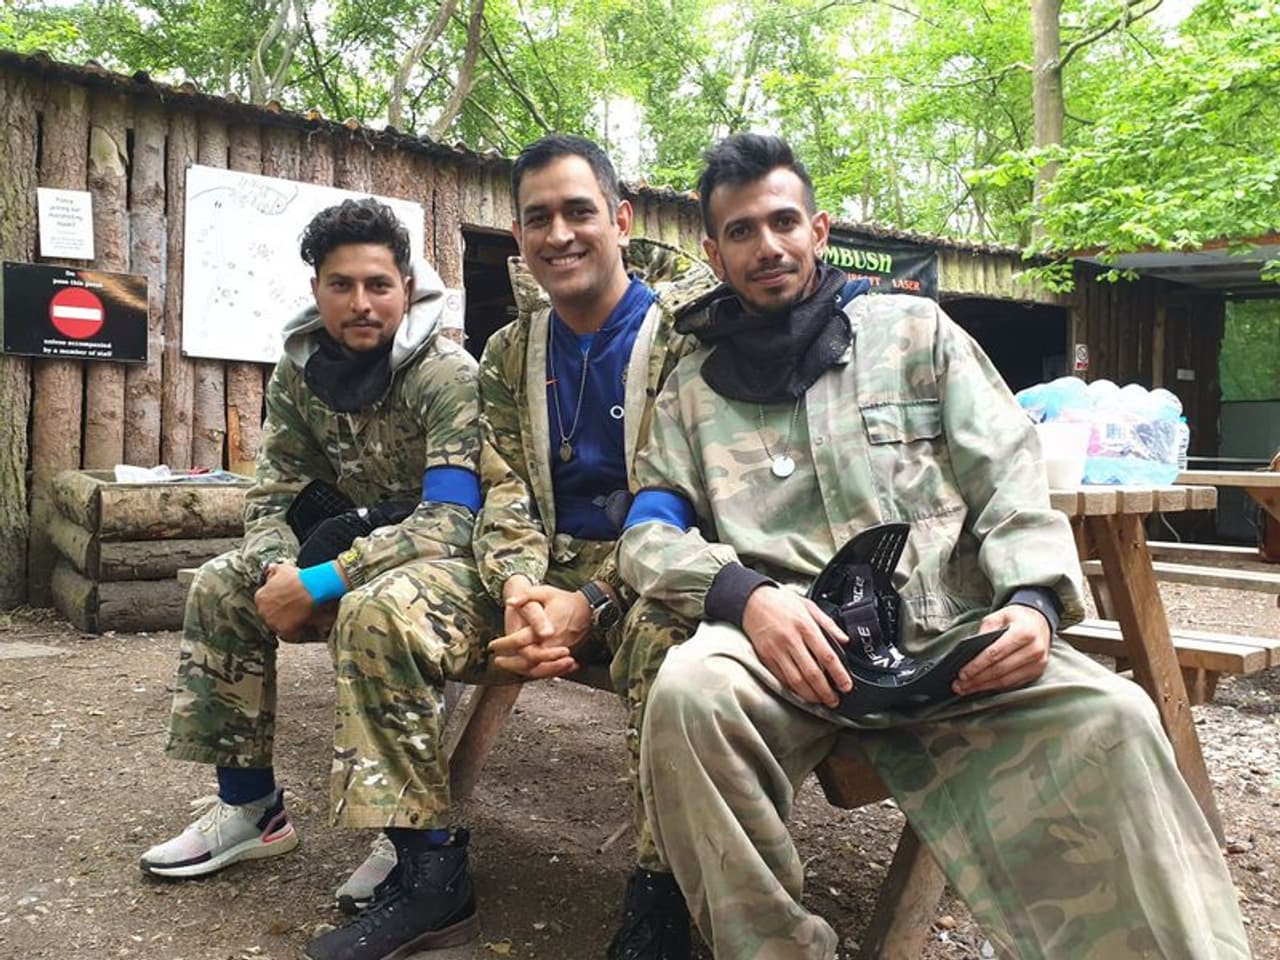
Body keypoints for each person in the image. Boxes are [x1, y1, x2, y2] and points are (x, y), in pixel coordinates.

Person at [616, 133, 1252, 960]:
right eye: (741, 231)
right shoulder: (693, 391)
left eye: (782, 222)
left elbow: (1012, 478)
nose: (766, 246)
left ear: (819, 229)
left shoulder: (916, 334)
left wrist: (1031, 604)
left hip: (955, 639)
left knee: (1119, 714)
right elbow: (648, 532)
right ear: (714, 250)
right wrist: (746, 598)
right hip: (793, 653)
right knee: (688, 693)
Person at [141, 198, 484, 934]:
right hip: (341, 548)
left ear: (408, 286)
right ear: (316, 289)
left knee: (378, 608)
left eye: (378, 285)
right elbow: (273, 494)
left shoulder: (445, 373)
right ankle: (251, 807)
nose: (361, 304)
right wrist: (276, 576)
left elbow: (455, 519)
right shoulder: (299, 372)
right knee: (221, 583)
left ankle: (407, 838)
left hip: (430, 562)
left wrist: (327, 581)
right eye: (340, 285)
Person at [474, 133, 718, 960]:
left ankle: (661, 891)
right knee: (393, 605)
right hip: (540, 566)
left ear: (620, 218)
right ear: (519, 238)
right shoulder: (509, 353)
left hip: (655, 562)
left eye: (580, 211)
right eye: (538, 218)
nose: (560, 234)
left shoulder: (684, 338)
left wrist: (596, 601)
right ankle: (419, 856)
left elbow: (687, 498)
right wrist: (516, 586)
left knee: (666, 643)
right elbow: (502, 483)